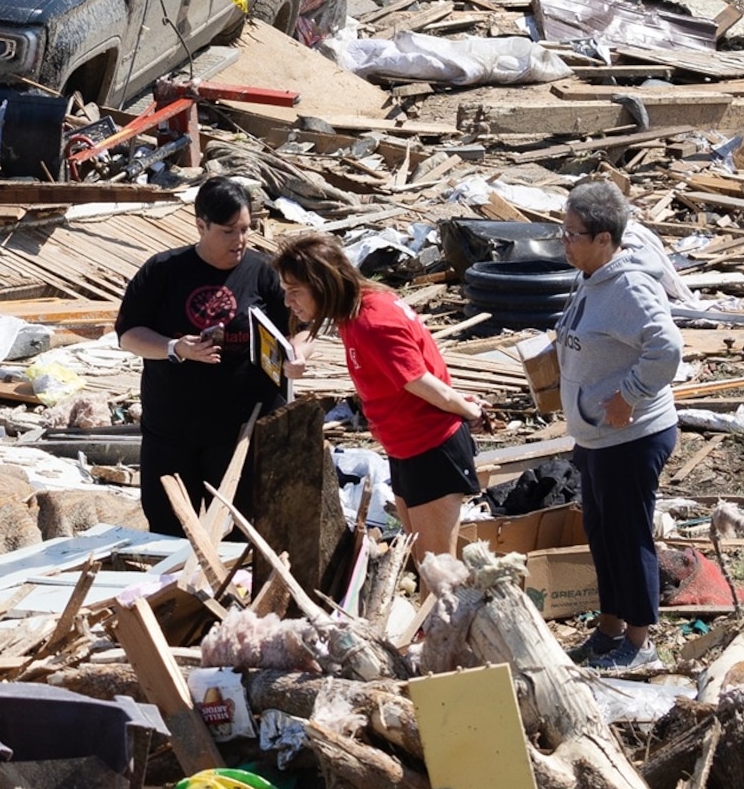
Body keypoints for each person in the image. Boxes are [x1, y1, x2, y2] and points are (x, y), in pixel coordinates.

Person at [273, 233, 482, 560]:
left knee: (439, 568)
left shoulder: (372, 321)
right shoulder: (352, 311)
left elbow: (422, 381)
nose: (288, 302)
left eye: (294, 292)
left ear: (323, 284)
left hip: (431, 446)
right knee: (423, 562)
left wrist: (468, 411)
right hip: (405, 448)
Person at [117, 175, 303, 540]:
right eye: (228, 232)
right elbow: (128, 335)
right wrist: (176, 349)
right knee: (169, 533)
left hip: (242, 434)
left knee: (247, 534)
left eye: (246, 229)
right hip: (172, 431)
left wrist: (297, 354)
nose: (240, 241)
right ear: (201, 225)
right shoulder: (163, 271)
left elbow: (299, 326)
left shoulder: (263, 272)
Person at [558, 179, 683, 672]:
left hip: (631, 437)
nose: (564, 241)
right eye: (562, 231)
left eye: (573, 234)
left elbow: (667, 348)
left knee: (628, 536)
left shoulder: (629, 286)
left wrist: (628, 397)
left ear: (604, 239)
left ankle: (640, 640)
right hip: (596, 436)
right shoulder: (590, 276)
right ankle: (609, 630)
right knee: (602, 532)